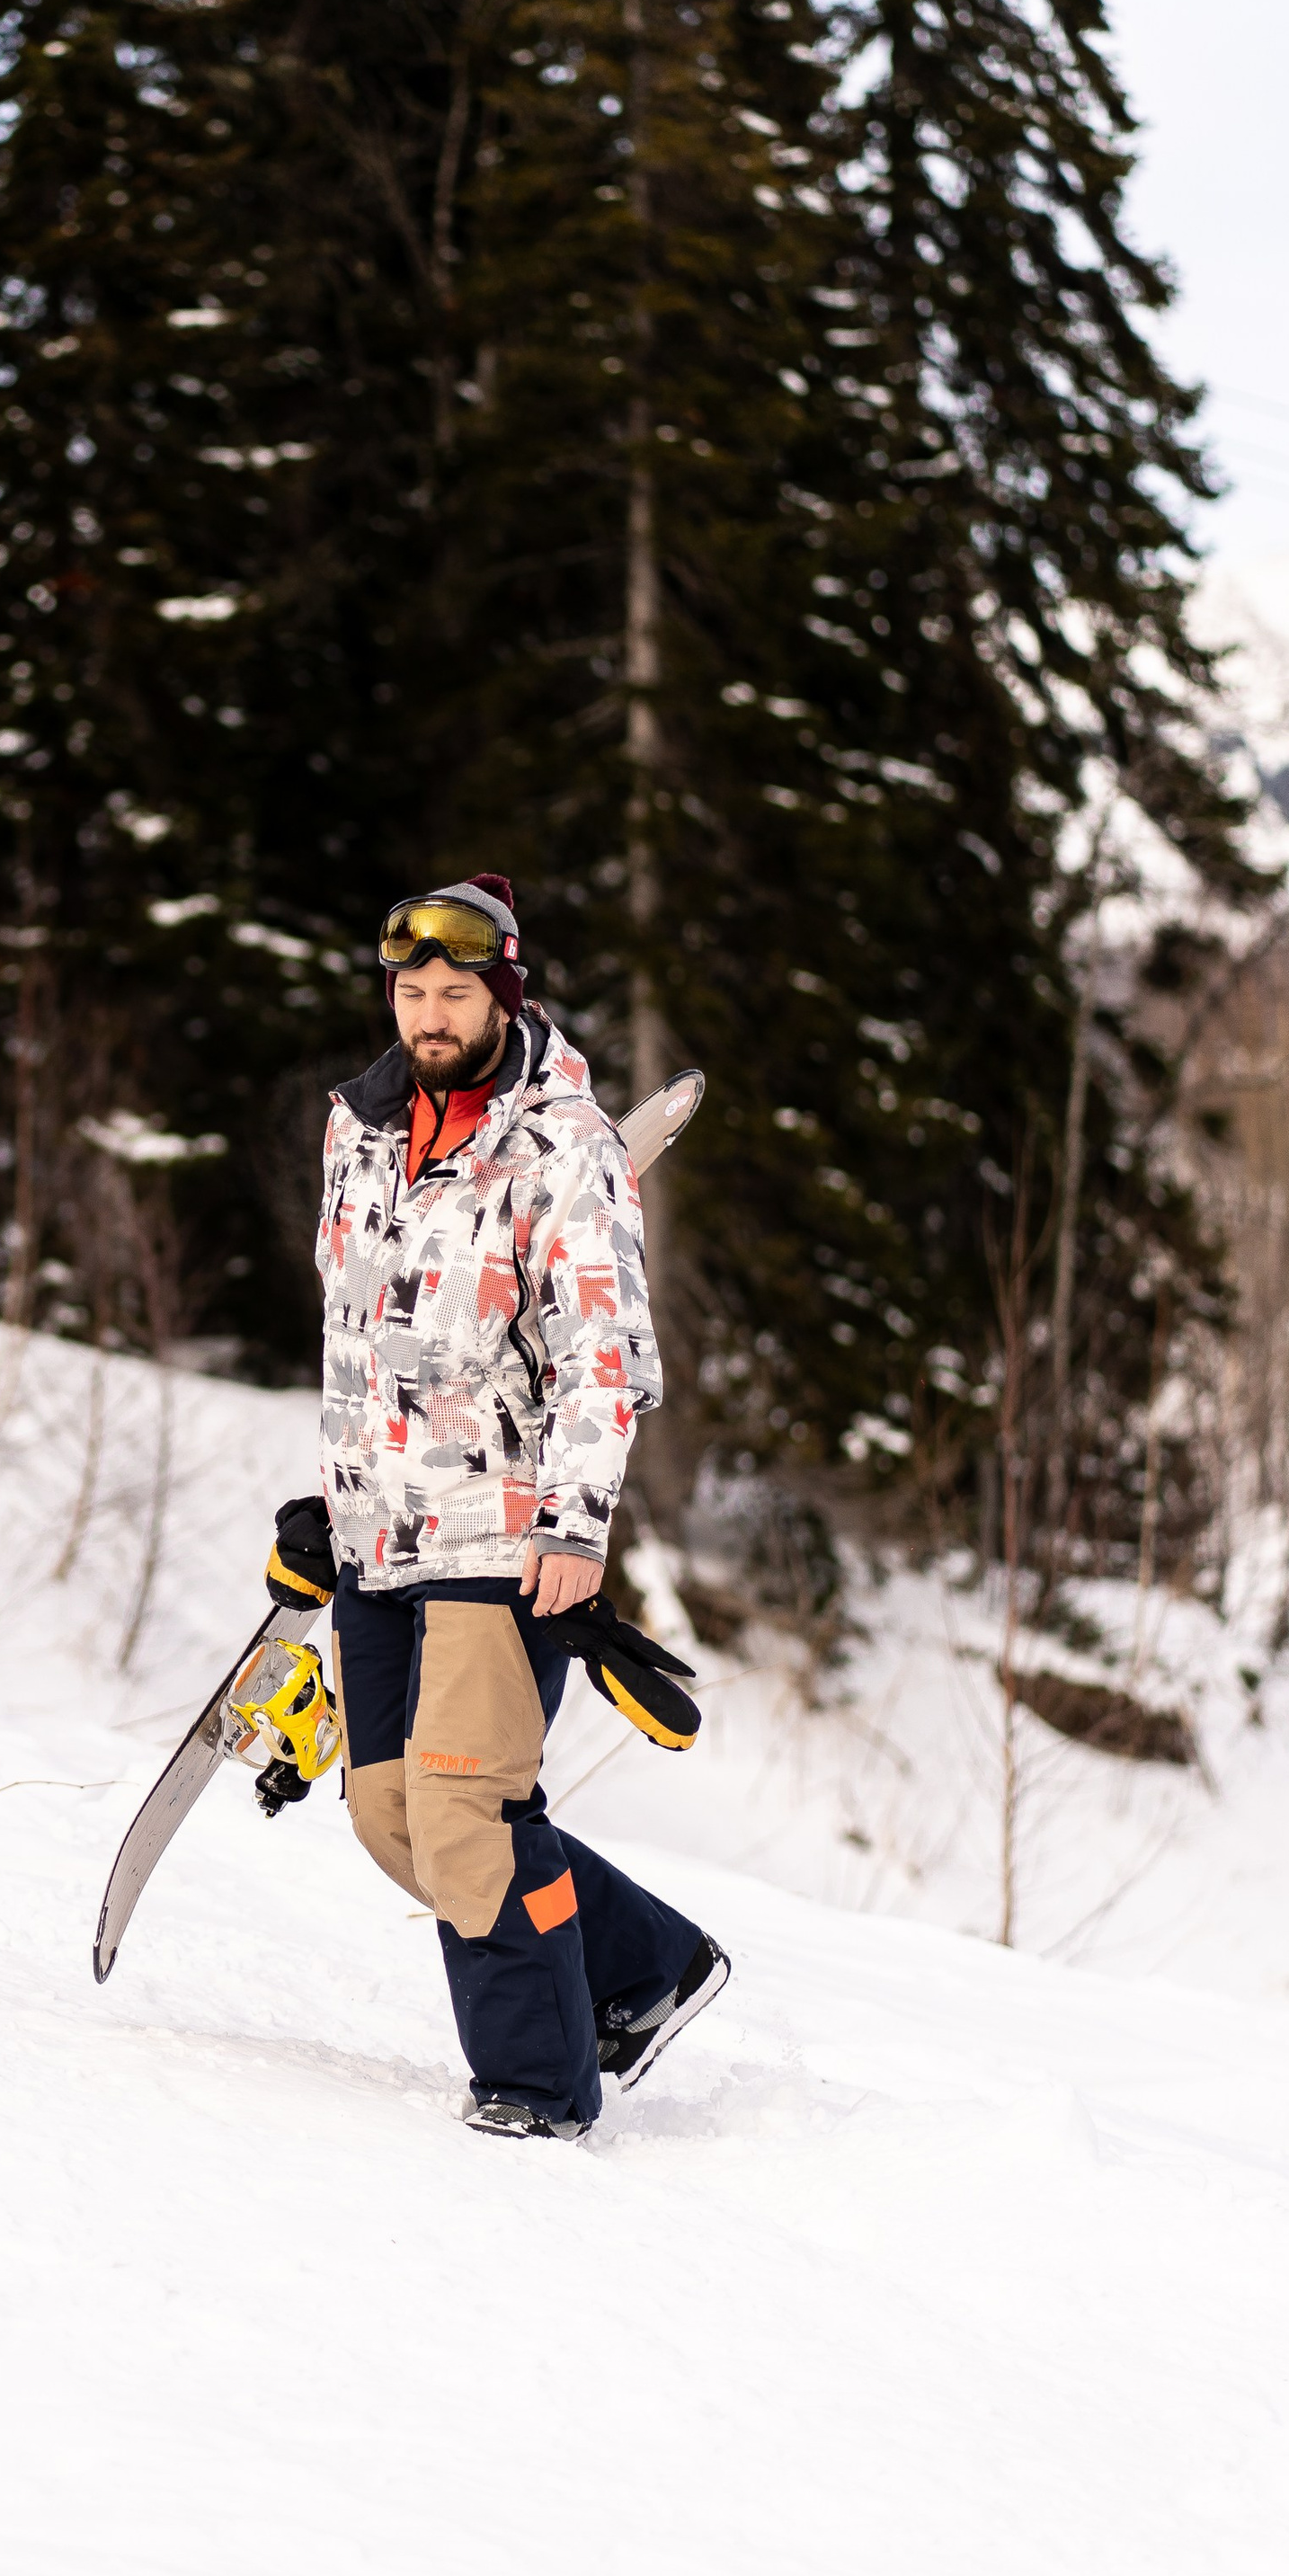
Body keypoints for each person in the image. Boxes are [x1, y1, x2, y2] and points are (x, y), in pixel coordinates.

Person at [294, 874, 728, 2141]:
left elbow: (605, 1359)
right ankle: (645, 1965)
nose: (430, 1014)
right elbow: (355, 1343)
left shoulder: (562, 1144)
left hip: (505, 1523)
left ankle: (536, 2087)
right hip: (385, 1529)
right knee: (389, 1811)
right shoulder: (357, 1128)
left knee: (467, 1813)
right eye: (412, 991)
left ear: (504, 994)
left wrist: (577, 1526)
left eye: (455, 992)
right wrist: (328, 1501)